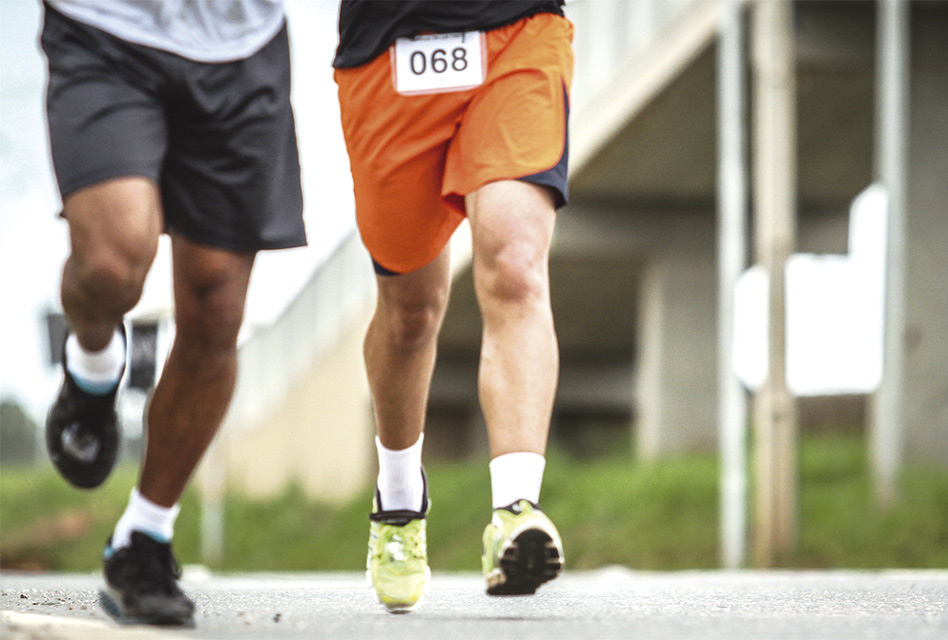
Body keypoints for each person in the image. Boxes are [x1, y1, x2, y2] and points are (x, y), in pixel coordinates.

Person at [41, 0, 305, 627]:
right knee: (113, 261)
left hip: (242, 44)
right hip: (106, 28)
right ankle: (94, 365)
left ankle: (145, 536)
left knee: (217, 306)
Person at [333, 0, 573, 612]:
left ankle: (515, 510)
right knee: (410, 311)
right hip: (387, 44)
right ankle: (398, 501)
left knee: (517, 267)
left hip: (518, 30)